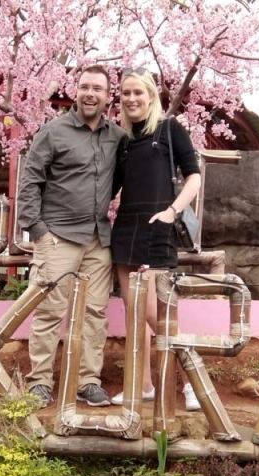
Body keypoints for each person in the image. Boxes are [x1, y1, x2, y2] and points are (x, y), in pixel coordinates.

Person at [17, 65, 126, 408]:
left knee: (95, 313)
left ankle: (88, 381)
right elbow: (30, 181)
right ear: (75, 91)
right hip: (58, 236)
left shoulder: (117, 136)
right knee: (50, 310)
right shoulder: (53, 132)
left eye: (98, 89)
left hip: (98, 238)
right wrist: (38, 230)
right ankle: (39, 382)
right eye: (84, 87)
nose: (90, 94)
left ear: (108, 96)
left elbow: (118, 178)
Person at [109, 67, 201, 411]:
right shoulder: (122, 141)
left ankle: (193, 382)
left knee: (155, 315)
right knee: (133, 314)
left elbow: (194, 177)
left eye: (138, 92)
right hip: (125, 229)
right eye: (126, 93)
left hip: (157, 227)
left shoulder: (169, 129)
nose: (131, 98)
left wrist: (171, 212)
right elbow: (111, 188)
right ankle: (143, 385)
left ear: (151, 96)